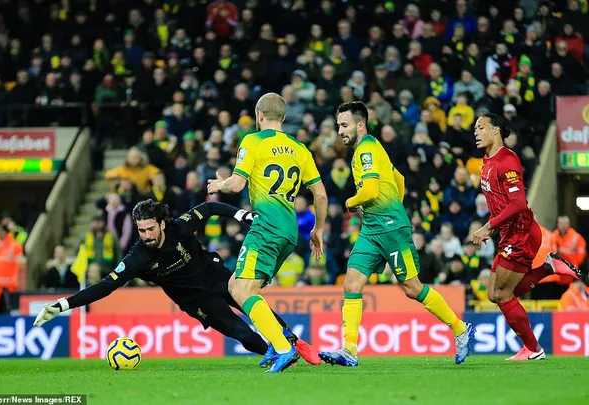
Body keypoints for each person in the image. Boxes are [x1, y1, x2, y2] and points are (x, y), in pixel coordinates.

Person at [33, 200, 319, 367]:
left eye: (150, 228)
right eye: (141, 230)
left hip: (215, 275)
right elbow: (105, 286)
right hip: (195, 301)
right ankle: (277, 354)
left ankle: (293, 343)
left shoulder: (180, 226)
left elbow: (208, 208)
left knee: (254, 307)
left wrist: (240, 214)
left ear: (162, 223)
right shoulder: (137, 258)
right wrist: (62, 305)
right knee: (240, 332)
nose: (145, 235)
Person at [318, 101, 475, 367]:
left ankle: (460, 329)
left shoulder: (366, 149)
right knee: (351, 283)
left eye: (344, 125)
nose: (340, 131)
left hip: (390, 229)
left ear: (360, 125)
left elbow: (368, 192)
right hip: (372, 228)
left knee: (412, 288)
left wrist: (349, 203)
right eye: (338, 126)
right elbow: (399, 178)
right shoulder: (371, 148)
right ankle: (349, 350)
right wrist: (393, 206)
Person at [207, 92, 328, 373]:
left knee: (241, 289)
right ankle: (278, 341)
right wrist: (318, 229)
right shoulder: (300, 148)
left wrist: (219, 185)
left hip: (266, 226)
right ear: (283, 117)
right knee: (239, 285)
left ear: (259, 115)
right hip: (290, 231)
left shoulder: (252, 141)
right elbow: (320, 195)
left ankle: (284, 347)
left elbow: (237, 185)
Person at [472, 113, 581, 361]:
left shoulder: (507, 160)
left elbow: (519, 203)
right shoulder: (487, 160)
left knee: (502, 295)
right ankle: (548, 267)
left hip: (521, 233)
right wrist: (496, 227)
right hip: (509, 234)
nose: (476, 132)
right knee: (494, 295)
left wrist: (489, 226)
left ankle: (533, 349)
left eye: (481, 127)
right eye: (474, 129)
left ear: (496, 130)